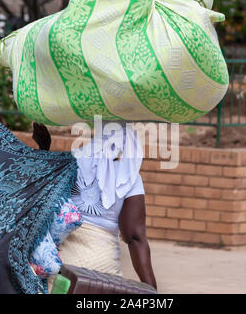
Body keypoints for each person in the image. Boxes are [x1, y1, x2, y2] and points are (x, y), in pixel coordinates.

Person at [31, 122, 158, 291]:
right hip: (103, 270)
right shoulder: (130, 179)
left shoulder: (72, 162)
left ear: (97, 137)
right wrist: (151, 289)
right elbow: (135, 238)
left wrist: (43, 148)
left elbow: (37, 188)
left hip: (63, 267)